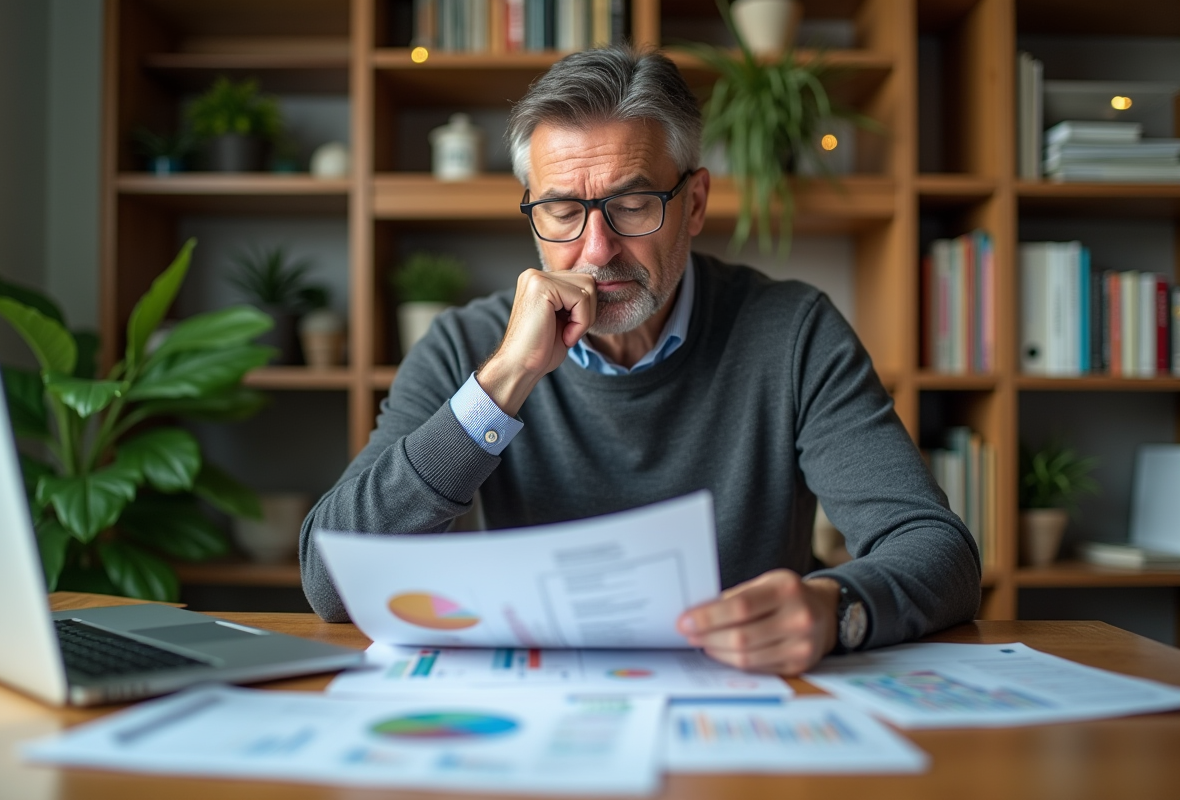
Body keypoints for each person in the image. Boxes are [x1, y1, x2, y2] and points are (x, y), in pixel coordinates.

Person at [299, 46, 980, 675]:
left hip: (743, 696)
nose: (596, 250)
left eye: (631, 205)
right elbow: (332, 581)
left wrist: (836, 609)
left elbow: (938, 551)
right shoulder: (463, 346)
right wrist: (504, 380)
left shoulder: (794, 333)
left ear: (695, 204)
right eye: (563, 211)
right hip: (542, 704)